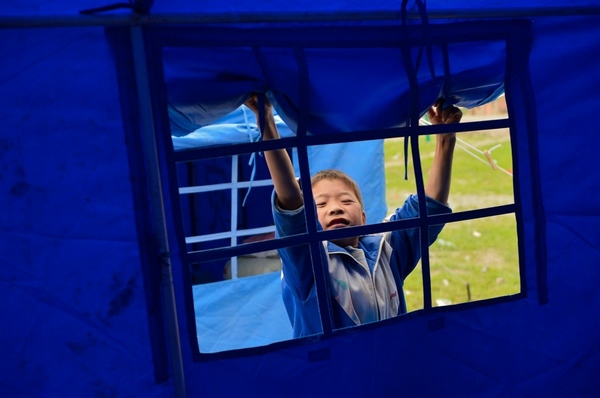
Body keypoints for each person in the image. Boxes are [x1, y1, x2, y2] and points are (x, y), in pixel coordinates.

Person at [244, 94, 462, 338]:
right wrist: (266, 121)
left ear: (364, 217)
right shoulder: (307, 263)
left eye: (346, 201)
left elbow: (428, 208)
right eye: (321, 204)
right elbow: (292, 204)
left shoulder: (387, 250)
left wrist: (446, 140)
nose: (336, 208)